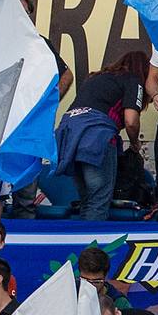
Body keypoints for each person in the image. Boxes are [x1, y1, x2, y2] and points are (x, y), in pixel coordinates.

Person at [56, 51, 147, 220]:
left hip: (69, 133)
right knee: (98, 200)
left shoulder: (96, 77)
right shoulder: (134, 79)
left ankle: (82, 243)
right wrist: (135, 143)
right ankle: (92, 244)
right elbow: (131, 121)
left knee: (86, 201)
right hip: (96, 135)